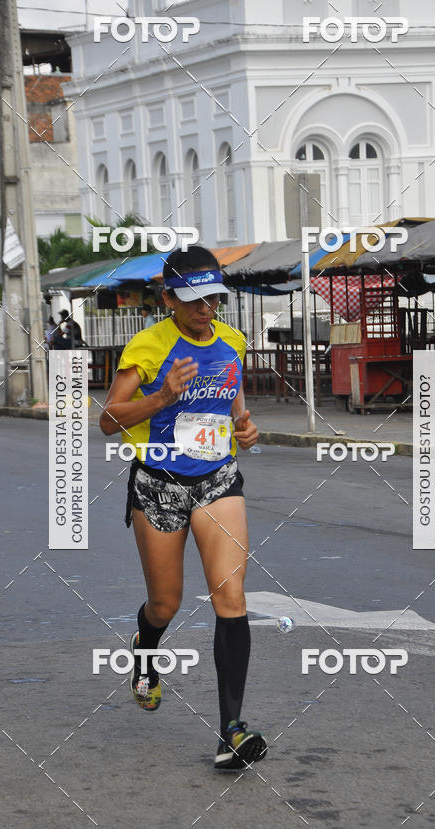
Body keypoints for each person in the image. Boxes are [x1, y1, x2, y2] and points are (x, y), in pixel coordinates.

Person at [99, 244, 266, 769]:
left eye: (213, 299)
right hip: (160, 483)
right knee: (165, 604)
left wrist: (246, 427)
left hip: (217, 477)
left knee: (230, 597)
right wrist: (162, 398)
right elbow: (108, 420)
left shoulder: (231, 341)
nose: (205, 310)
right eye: (194, 300)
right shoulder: (148, 347)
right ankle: (145, 648)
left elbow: (235, 404)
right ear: (168, 297)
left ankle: (231, 732)